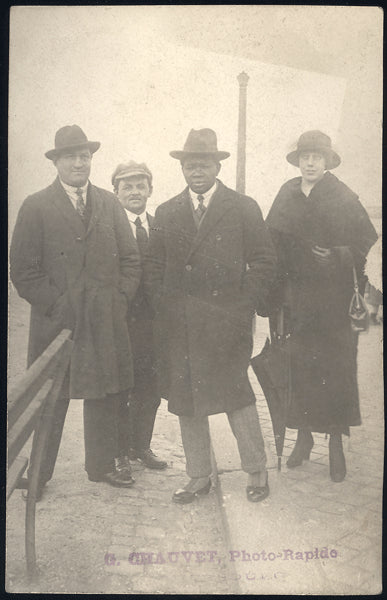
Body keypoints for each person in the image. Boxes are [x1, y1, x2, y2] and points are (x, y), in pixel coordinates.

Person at [144, 128, 277, 503]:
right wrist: (165, 304)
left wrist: (242, 304)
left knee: (237, 395)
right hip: (182, 324)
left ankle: (256, 469)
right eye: (190, 164)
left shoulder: (242, 207)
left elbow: (264, 260)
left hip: (226, 320)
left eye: (203, 164)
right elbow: (154, 265)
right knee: (188, 401)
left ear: (217, 166)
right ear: (182, 168)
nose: (196, 170)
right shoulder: (167, 211)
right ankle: (199, 475)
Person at [10, 125, 142, 497]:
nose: (79, 163)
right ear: (57, 162)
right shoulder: (35, 206)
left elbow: (131, 261)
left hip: (104, 321)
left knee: (104, 394)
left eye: (85, 156)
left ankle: (100, 467)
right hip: (56, 325)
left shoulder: (109, 203)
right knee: (51, 400)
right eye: (71, 156)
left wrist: (118, 299)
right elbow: (22, 270)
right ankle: (38, 475)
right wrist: (57, 304)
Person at [266, 130, 378, 482]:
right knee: (297, 371)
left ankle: (335, 444)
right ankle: (302, 439)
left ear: (328, 161)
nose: (310, 162)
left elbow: (367, 247)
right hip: (296, 301)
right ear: (298, 161)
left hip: (333, 305)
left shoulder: (343, 196)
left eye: (317, 156)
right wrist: (274, 299)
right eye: (305, 156)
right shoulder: (286, 193)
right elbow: (270, 244)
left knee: (335, 372)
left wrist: (339, 255)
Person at [111, 160, 167, 470]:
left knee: (150, 389)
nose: (135, 191)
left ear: (150, 189)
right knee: (120, 390)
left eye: (140, 185)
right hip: (120, 323)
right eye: (127, 186)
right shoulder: (106, 226)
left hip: (153, 325)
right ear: (115, 191)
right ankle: (118, 452)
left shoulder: (160, 225)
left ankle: (141, 447)